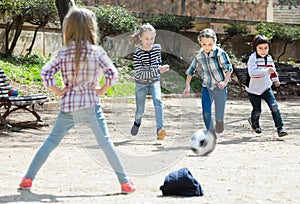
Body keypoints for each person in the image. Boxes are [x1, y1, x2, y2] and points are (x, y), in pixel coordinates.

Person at [19, 6, 136, 194]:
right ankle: (124, 182)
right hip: (91, 105)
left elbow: (45, 72)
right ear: (91, 28)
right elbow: (112, 75)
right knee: (105, 144)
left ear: (68, 28)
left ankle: (27, 179)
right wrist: (101, 89)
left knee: (51, 142)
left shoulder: (63, 52)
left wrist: (58, 90)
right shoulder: (97, 52)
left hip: (69, 106)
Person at [183, 28, 232, 134]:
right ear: (200, 42)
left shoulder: (220, 53)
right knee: (206, 112)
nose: (207, 47)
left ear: (214, 42)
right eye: (204, 44)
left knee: (219, 113)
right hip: (207, 87)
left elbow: (228, 68)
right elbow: (191, 70)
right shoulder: (199, 55)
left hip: (220, 87)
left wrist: (225, 82)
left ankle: (219, 122)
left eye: (209, 44)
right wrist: (187, 85)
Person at [129, 23, 170, 140]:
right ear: (140, 38)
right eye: (146, 39)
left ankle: (160, 130)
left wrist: (161, 68)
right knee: (140, 110)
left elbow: (157, 64)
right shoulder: (137, 53)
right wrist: (158, 70)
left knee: (158, 101)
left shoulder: (157, 48)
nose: (149, 41)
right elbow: (139, 73)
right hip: (141, 83)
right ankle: (137, 122)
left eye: (152, 38)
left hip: (154, 81)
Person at [246, 35, 288, 137]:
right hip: (253, 89)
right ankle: (254, 122)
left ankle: (280, 128)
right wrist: (266, 71)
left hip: (266, 87)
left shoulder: (269, 58)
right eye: (260, 48)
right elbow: (252, 73)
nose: (263, 50)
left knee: (274, 106)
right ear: (255, 48)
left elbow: (272, 70)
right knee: (257, 110)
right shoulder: (252, 58)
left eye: (266, 48)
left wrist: (275, 80)